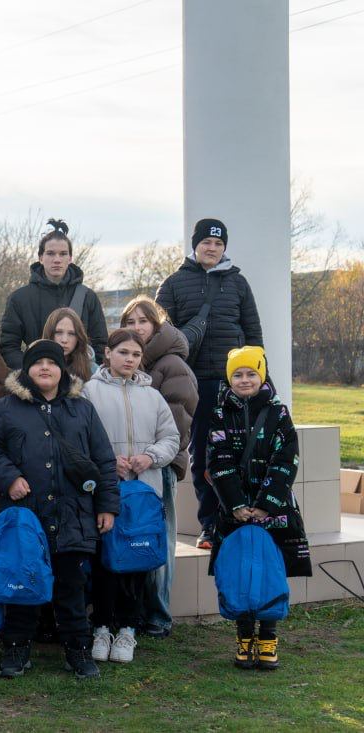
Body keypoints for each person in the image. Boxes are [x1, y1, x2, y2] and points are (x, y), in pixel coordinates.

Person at [0, 339, 119, 680]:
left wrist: (107, 505)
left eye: (52, 362)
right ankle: (16, 649)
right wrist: (9, 477)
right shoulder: (7, 407)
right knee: (23, 585)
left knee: (71, 588)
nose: (45, 368)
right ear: (26, 370)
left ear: (62, 369)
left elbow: (103, 458)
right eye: (37, 362)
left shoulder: (81, 409)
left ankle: (78, 651)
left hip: (72, 514)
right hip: (26, 514)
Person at [155, 218, 264, 549]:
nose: (212, 248)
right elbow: (162, 335)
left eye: (218, 244)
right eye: (207, 242)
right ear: (195, 245)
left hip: (234, 382)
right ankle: (210, 524)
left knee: (238, 452)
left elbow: (254, 332)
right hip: (193, 381)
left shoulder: (239, 284)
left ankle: (239, 517)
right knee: (202, 454)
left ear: (224, 248)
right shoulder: (173, 284)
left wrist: (261, 377)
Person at [81, 329, 179, 665]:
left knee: (137, 561)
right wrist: (108, 461)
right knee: (106, 560)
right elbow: (81, 438)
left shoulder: (153, 396)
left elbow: (171, 437)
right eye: (123, 352)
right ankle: (102, 627)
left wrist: (150, 456)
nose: (129, 360)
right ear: (107, 353)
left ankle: (128, 630)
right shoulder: (90, 392)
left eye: (136, 355)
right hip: (106, 492)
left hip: (144, 494)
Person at [206, 346, 308, 671]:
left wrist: (266, 504)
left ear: (261, 375)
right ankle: (244, 635)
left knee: (270, 572)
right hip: (232, 512)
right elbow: (218, 461)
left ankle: (268, 637)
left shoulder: (279, 413)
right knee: (239, 572)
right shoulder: (219, 414)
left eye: (251, 373)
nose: (245, 379)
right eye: (238, 374)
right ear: (229, 377)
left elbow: (286, 460)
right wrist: (235, 504)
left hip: (274, 512)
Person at [120, 296, 198, 637]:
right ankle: (134, 611)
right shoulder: (130, 362)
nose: (137, 327)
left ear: (156, 324)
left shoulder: (170, 364)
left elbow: (178, 424)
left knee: (159, 538)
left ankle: (159, 615)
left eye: (143, 321)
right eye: (130, 321)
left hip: (160, 465)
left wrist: (152, 456)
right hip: (132, 466)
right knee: (134, 537)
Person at [0, 219, 107, 369]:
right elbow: (8, 347)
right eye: (50, 253)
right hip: (36, 381)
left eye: (63, 254)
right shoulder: (19, 299)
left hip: (80, 381)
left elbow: (100, 345)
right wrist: (32, 369)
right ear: (40, 257)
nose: (57, 259)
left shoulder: (88, 297)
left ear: (70, 258)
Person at [42, 307, 97, 382]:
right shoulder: (36, 367)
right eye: (58, 332)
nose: (64, 340)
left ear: (79, 337)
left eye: (71, 334)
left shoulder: (93, 371)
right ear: (49, 334)